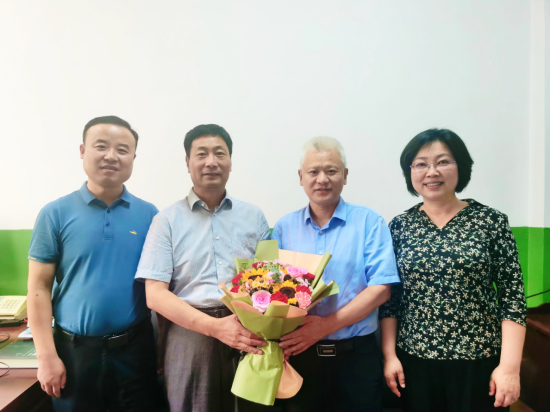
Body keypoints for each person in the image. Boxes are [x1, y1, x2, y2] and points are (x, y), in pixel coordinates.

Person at [380, 128, 527, 412]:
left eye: (443, 161)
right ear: (410, 172)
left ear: (461, 166)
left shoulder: (491, 221)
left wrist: (510, 368)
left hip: (480, 362)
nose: (431, 172)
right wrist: (389, 356)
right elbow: (391, 300)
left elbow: (512, 298)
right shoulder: (399, 226)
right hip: (414, 363)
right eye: (420, 164)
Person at [27, 116, 162, 412]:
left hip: (135, 351)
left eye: (122, 149)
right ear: (82, 151)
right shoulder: (55, 213)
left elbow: (161, 286)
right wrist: (46, 357)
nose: (111, 156)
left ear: (133, 157)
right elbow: (38, 289)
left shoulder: (150, 215)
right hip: (74, 352)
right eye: (101, 146)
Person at [136, 124, 272, 412]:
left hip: (248, 330)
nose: (211, 162)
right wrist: (215, 328)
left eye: (219, 153)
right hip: (189, 334)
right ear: (188, 163)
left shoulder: (254, 216)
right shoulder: (166, 221)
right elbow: (155, 295)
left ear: (230, 162)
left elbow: (270, 283)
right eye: (201, 154)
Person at [272, 136, 400, 412]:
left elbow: (381, 289)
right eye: (313, 171)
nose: (322, 179)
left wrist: (325, 326)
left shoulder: (369, 222)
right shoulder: (283, 228)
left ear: (345, 175)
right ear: (301, 177)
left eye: (331, 170)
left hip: (357, 358)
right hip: (300, 357)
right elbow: (273, 293)